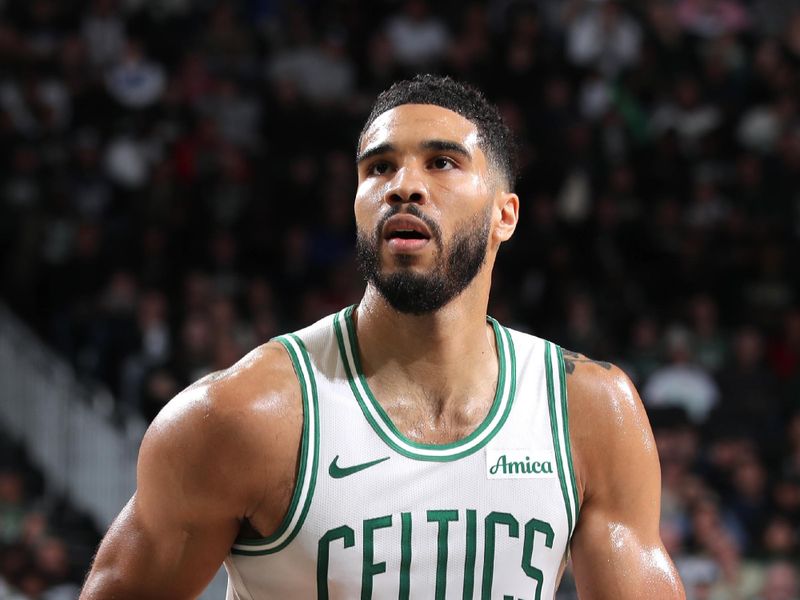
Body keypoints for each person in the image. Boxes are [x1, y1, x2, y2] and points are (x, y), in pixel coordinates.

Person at [80, 75, 685, 599]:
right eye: (379, 167)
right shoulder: (244, 416)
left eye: (442, 162)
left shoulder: (588, 411)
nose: (404, 185)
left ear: (506, 214)